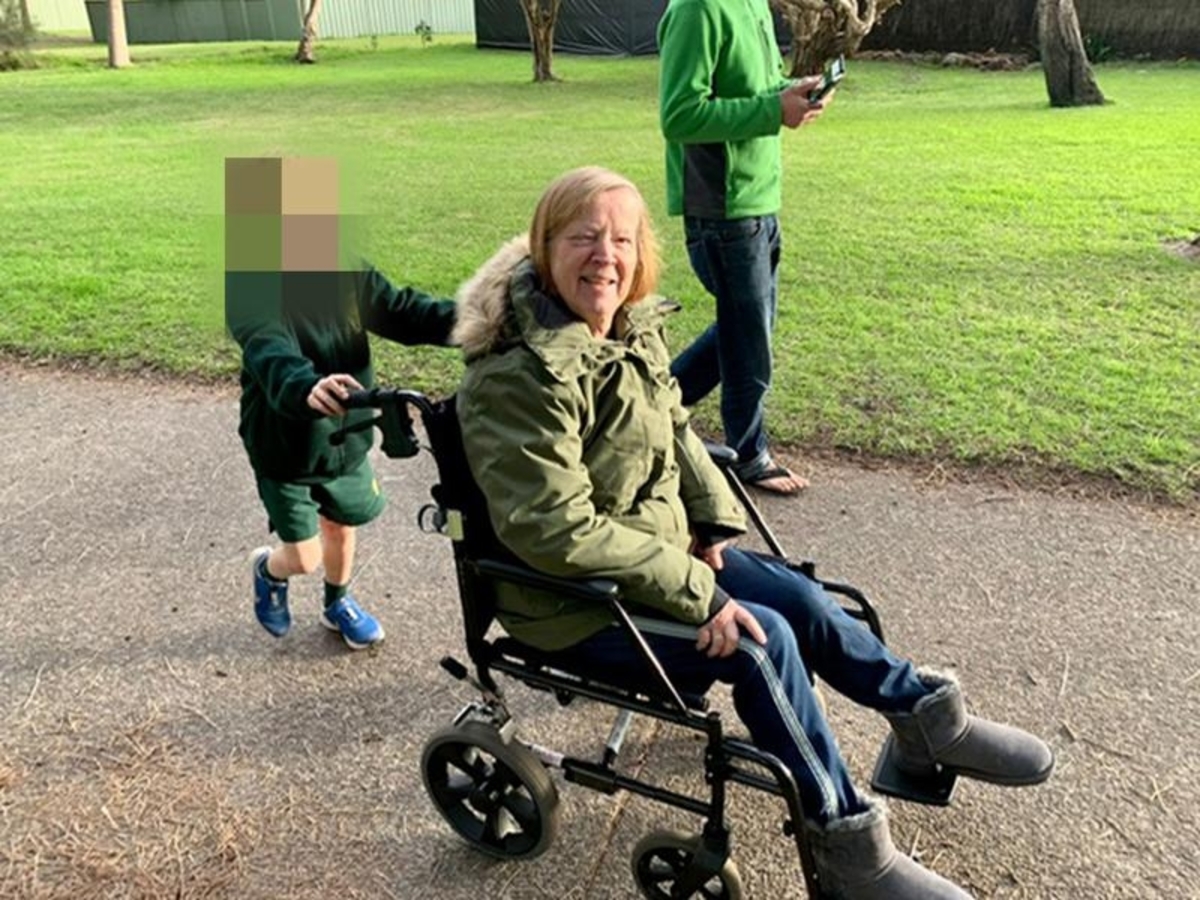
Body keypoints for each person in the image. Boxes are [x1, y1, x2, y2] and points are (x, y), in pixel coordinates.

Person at [453, 167, 1053, 898]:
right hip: (570, 602)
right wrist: (699, 594)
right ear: (545, 248)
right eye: (583, 237)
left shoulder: (628, 331)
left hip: (654, 557)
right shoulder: (517, 379)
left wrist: (710, 520)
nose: (605, 255)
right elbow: (555, 530)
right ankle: (846, 846)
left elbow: (676, 431)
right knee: (761, 645)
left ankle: (925, 723)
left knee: (801, 599)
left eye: (622, 239)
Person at [225, 156, 456, 650]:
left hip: (345, 436)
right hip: (286, 445)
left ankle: (337, 603)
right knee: (304, 556)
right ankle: (269, 570)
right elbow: (268, 347)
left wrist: (477, 319)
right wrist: (304, 386)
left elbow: (401, 310)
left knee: (343, 527)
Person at [658, 0, 830, 496]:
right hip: (723, 209)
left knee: (746, 331)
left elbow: (754, 88)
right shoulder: (697, 9)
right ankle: (749, 455)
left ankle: (650, 408)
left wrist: (791, 92)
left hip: (759, 200)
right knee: (748, 340)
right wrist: (773, 110)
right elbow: (680, 114)